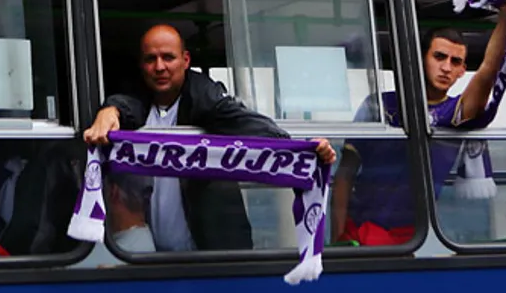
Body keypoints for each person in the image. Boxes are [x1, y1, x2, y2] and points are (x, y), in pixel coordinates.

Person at [83, 24, 335, 252]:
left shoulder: (205, 96)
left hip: (209, 256)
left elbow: (248, 124)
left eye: (168, 57)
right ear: (141, 65)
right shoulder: (136, 99)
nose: (159, 67)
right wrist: (109, 111)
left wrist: (301, 149)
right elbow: (126, 105)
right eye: (151, 59)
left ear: (185, 60)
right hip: (153, 258)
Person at [331, 0, 506, 246]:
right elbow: (344, 175)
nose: (446, 67)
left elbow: (489, 71)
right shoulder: (380, 105)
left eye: (455, 62)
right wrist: (338, 238)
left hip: (416, 237)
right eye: (439, 57)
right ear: (421, 58)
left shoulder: (455, 111)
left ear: (462, 70)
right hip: (358, 233)